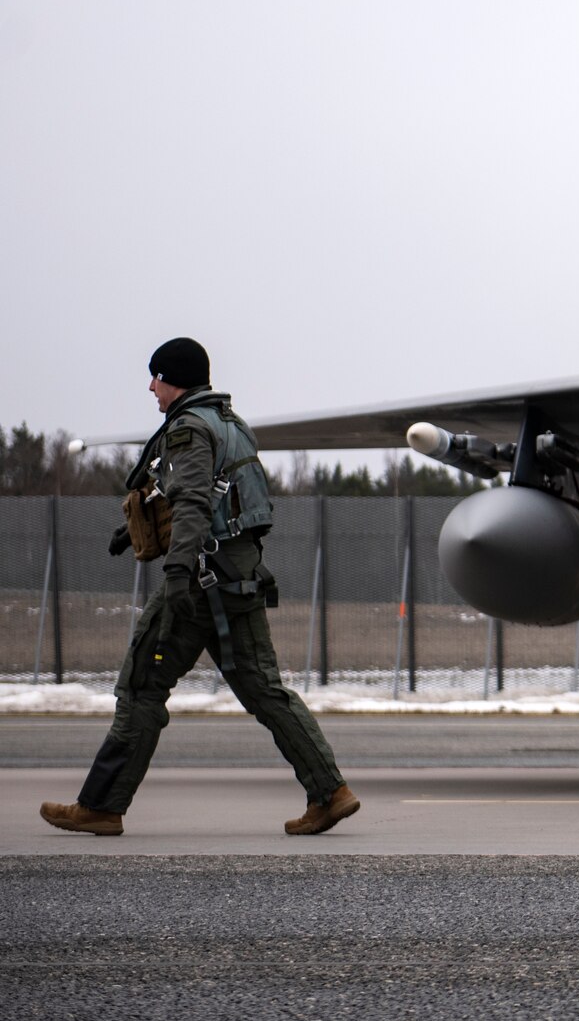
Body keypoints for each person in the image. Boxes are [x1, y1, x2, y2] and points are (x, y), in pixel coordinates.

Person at [40, 338, 358, 837]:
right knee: (265, 691)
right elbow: (214, 497)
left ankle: (101, 806)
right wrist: (136, 529)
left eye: (157, 378)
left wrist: (175, 573)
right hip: (239, 577)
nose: (151, 387)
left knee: (141, 688)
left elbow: (190, 504)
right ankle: (331, 792)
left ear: (176, 380)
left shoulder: (188, 428)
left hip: (196, 581)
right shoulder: (231, 424)